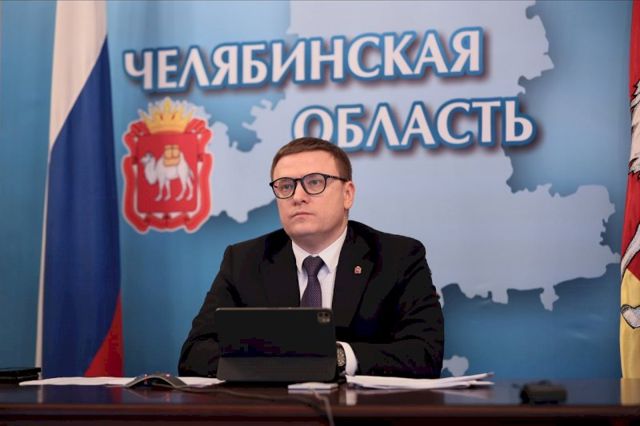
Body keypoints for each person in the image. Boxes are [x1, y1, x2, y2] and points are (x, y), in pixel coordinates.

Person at [178, 137, 444, 378]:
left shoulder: (397, 257)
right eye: (285, 186)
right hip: (273, 409)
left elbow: (424, 353)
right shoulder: (244, 261)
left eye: (314, 182)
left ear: (347, 194)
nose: (298, 197)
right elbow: (194, 353)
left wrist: (338, 357)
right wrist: (285, 359)